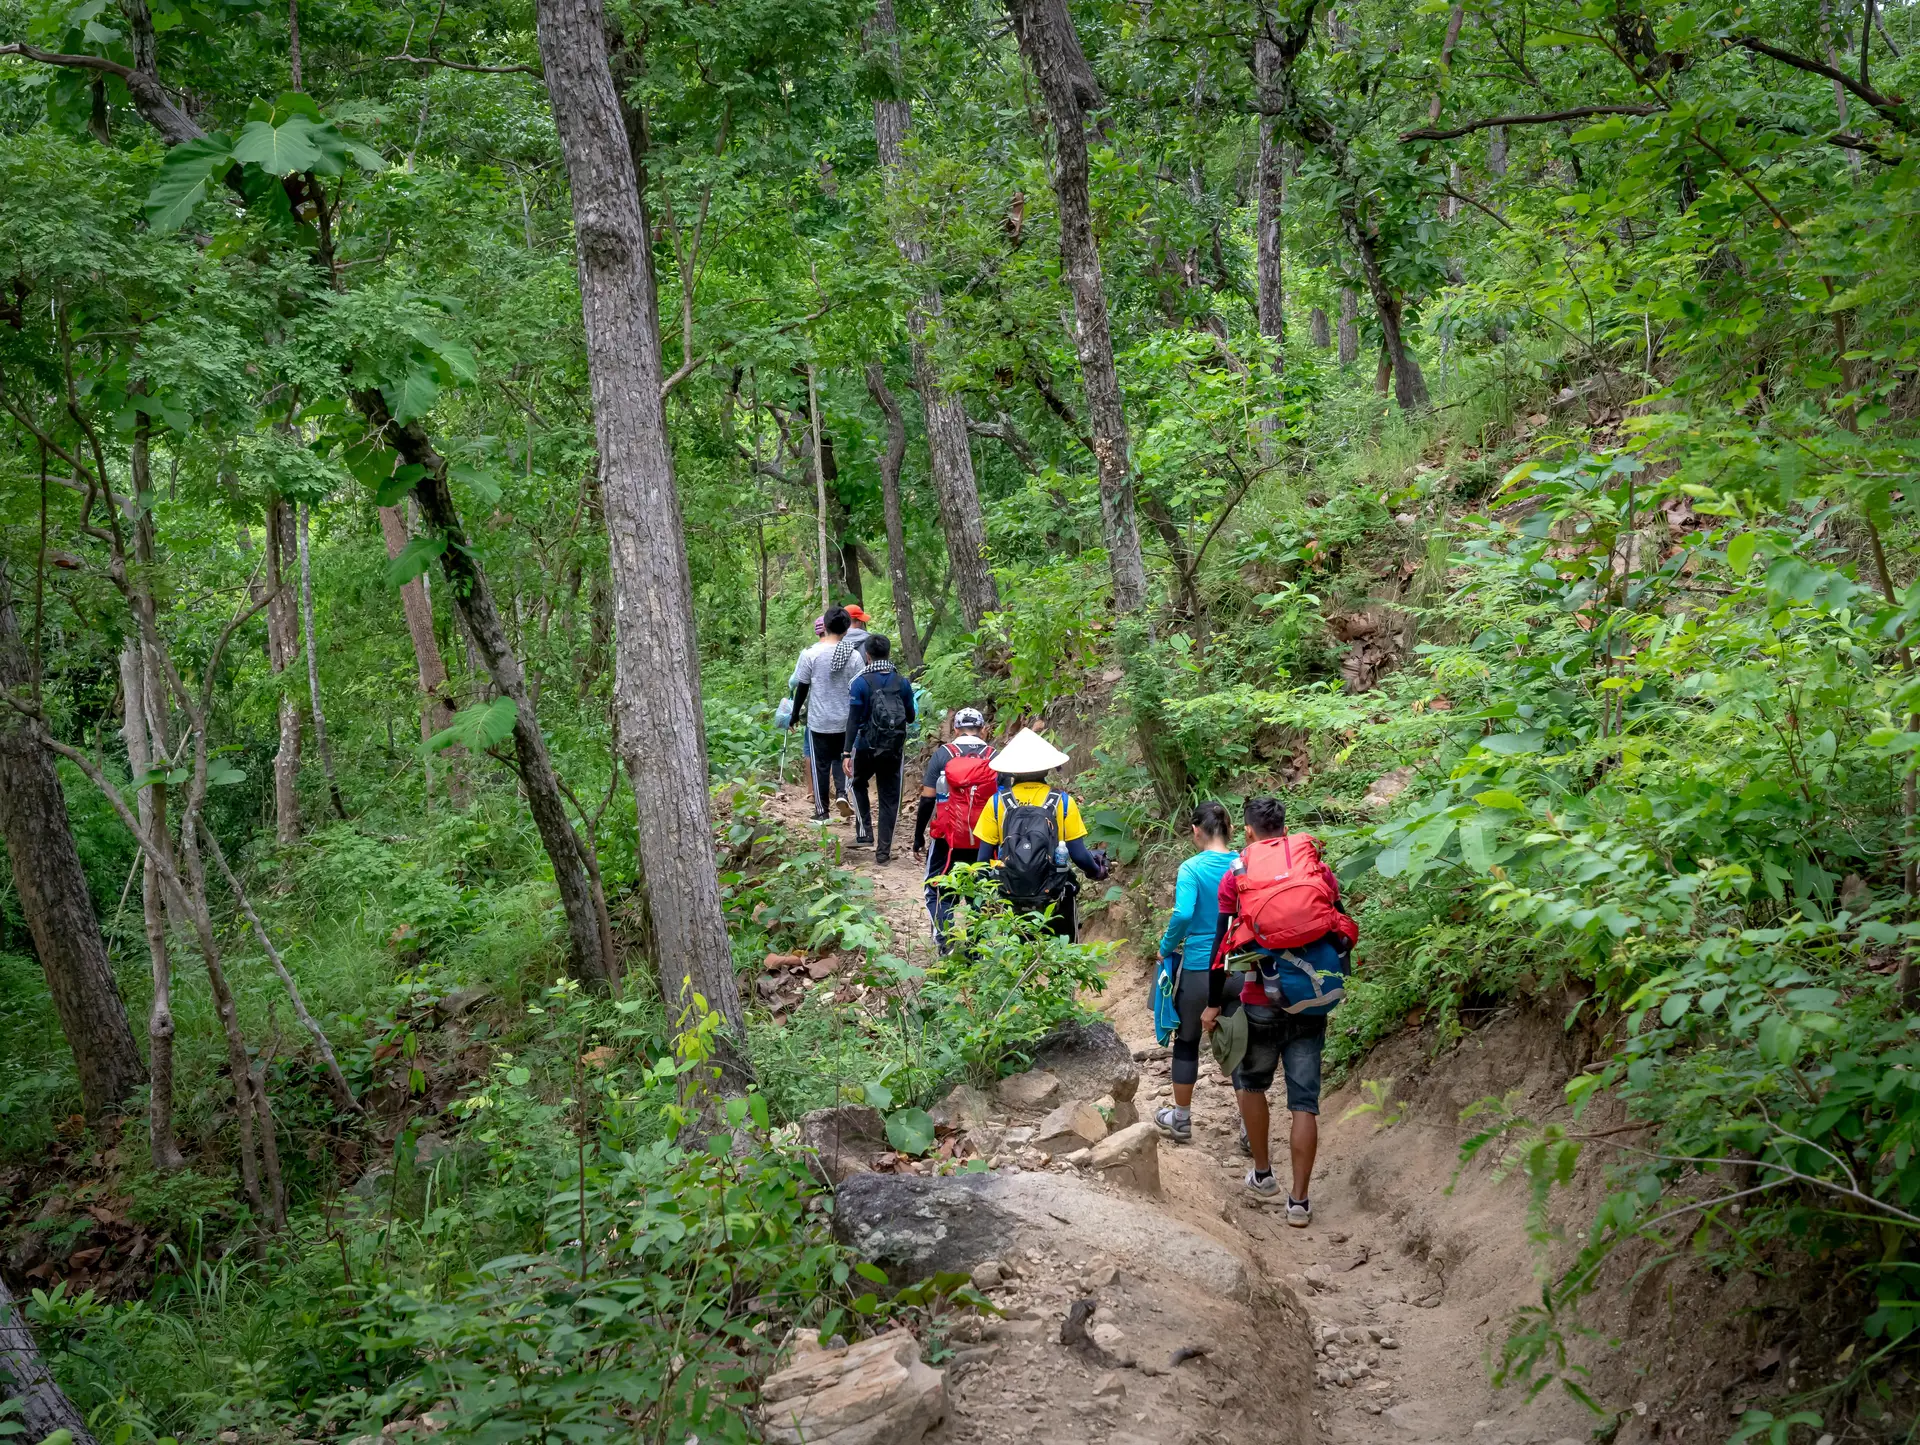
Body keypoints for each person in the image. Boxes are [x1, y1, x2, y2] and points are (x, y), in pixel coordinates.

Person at [1203, 795, 1357, 1223]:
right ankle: (1300, 1202)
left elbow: (1221, 947)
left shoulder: (1238, 873)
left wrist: (1213, 1005)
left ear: (1248, 832)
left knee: (1250, 1083)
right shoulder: (1312, 866)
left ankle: (1263, 1174)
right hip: (1310, 998)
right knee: (1303, 1102)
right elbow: (1338, 923)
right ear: (1285, 829)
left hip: (1259, 999)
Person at [1152, 801, 1239, 1146]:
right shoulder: (1243, 865)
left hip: (1201, 967)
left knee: (1186, 1042)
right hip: (1241, 965)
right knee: (1241, 1046)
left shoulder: (1191, 868)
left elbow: (1184, 913)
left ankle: (1182, 1119)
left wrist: (1166, 945)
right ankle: (1249, 1130)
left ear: (1196, 831)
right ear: (1231, 830)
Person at [972, 727, 1109, 941]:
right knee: (1065, 956)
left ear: (1012, 770)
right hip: (1056, 891)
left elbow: (982, 860)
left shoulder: (997, 802)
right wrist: (1096, 871)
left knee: (1016, 960)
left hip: (1011, 895)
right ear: (1047, 768)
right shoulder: (1062, 802)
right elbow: (1079, 855)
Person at [914, 707, 997, 948]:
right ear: (982, 730)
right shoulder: (994, 756)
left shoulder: (943, 754)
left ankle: (945, 943)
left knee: (937, 889)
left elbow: (928, 798)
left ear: (955, 729)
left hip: (947, 838)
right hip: (986, 839)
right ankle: (977, 948)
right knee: (981, 892)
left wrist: (919, 835)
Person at [789, 607, 866, 822]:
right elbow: (860, 687)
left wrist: (795, 715)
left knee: (820, 766)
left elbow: (802, 688)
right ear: (845, 629)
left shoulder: (810, 654)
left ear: (826, 627)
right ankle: (842, 793)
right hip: (845, 721)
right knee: (843, 759)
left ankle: (822, 811)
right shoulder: (853, 656)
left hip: (819, 721)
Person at [843, 633, 916, 862]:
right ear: (888, 653)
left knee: (856, 783)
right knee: (889, 798)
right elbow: (911, 716)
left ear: (867, 655)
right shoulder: (902, 682)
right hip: (893, 749)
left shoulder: (859, 683)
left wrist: (846, 752)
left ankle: (865, 832)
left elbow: (853, 720)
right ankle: (883, 853)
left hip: (865, 746)